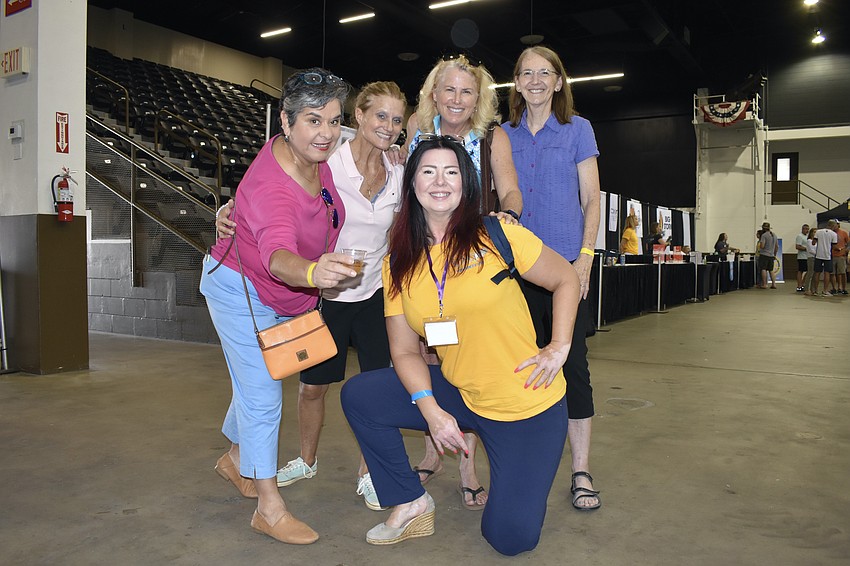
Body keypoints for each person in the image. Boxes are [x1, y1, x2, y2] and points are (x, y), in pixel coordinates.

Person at [340, 137, 580, 555]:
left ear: (466, 184)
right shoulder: (397, 261)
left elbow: (566, 279)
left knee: (510, 539)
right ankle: (410, 499)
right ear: (412, 182)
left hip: (524, 403)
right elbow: (403, 352)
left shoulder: (497, 234)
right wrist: (432, 412)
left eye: (451, 172)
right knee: (361, 396)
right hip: (460, 392)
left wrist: (559, 346)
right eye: (428, 171)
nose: (440, 181)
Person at [215, 82, 408, 511]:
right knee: (308, 386)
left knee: (377, 388)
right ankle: (305, 460)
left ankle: (369, 472)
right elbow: (271, 200)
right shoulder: (327, 156)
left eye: (397, 121)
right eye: (380, 116)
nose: (388, 127)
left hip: (374, 291)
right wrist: (229, 211)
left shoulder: (398, 168)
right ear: (359, 116)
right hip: (320, 293)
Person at [199, 68, 355, 545]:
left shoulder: (316, 160)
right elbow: (276, 255)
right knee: (264, 394)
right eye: (313, 121)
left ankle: (233, 458)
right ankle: (269, 506)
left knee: (252, 383)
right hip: (239, 288)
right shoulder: (274, 184)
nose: (326, 133)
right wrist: (313, 273)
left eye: (333, 120)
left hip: (284, 296)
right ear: (285, 123)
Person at [404, 53, 524, 509]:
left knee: (465, 360)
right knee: (425, 354)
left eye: (466, 91)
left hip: (471, 261)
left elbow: (511, 190)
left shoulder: (491, 137)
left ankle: (468, 464)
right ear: (435, 93)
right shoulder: (418, 127)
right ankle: (434, 447)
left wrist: (505, 218)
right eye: (448, 89)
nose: (457, 99)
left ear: (479, 99)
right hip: (421, 254)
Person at [503, 45, 603, 510]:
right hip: (517, 273)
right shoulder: (503, 136)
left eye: (546, 73)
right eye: (527, 73)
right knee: (519, 367)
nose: (537, 80)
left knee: (572, 368)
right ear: (517, 83)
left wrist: (585, 258)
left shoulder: (578, 130)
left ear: (559, 81)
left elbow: (592, 199)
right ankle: (525, 464)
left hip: (565, 270)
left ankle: (580, 470)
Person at [811, 220, 838, 296]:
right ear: (833, 226)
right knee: (827, 273)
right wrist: (839, 249)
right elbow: (834, 246)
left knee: (817, 273)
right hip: (827, 255)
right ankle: (825, 291)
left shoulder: (818, 232)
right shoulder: (833, 234)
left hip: (818, 255)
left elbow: (813, 243)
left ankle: (815, 291)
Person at [757, 222, 778, 289]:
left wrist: (760, 246)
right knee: (771, 270)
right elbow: (776, 246)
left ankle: (765, 284)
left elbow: (762, 246)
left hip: (764, 254)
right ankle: (774, 284)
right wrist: (774, 254)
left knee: (763, 269)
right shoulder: (774, 235)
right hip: (771, 255)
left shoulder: (764, 235)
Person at [830, 220, 848, 295]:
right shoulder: (830, 233)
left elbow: (848, 243)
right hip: (832, 255)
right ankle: (834, 288)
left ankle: (843, 288)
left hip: (841, 255)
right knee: (832, 273)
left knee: (842, 272)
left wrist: (846, 250)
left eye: (836, 224)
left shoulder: (843, 233)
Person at [794, 224, 810, 292]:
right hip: (802, 257)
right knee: (801, 271)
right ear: (802, 229)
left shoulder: (807, 237)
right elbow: (797, 246)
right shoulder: (800, 236)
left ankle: (803, 283)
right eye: (805, 229)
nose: (806, 230)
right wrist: (806, 249)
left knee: (808, 271)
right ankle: (799, 285)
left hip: (808, 256)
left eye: (807, 229)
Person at [803, 227, 818, 296]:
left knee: (815, 274)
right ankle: (807, 289)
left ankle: (813, 289)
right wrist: (817, 253)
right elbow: (811, 250)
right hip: (811, 258)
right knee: (810, 273)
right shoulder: (809, 241)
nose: (815, 233)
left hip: (816, 258)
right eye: (814, 232)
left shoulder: (817, 241)